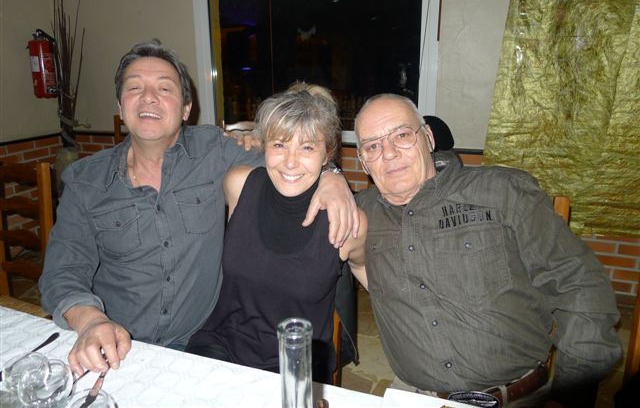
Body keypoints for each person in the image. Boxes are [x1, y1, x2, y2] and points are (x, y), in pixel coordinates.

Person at [39, 39, 359, 377]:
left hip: (200, 346)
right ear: (120, 105)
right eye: (135, 88)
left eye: (164, 88)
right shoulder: (86, 181)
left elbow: (292, 160)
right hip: (118, 347)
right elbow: (62, 271)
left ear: (186, 108)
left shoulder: (217, 152)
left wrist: (332, 174)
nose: (149, 97)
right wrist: (90, 320)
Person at [353, 93, 622, 407]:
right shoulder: (360, 212)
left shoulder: (502, 192)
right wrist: (331, 178)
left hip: (518, 398)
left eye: (401, 135)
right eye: (372, 146)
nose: (388, 153)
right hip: (417, 396)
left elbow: (581, 286)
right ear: (363, 162)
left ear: (427, 138)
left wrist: (570, 395)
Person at [186, 82, 367, 383]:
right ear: (265, 146)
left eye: (307, 147)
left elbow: (376, 280)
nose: (290, 162)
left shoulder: (347, 222)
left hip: (296, 360)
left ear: (327, 154)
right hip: (222, 343)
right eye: (280, 144)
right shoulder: (239, 184)